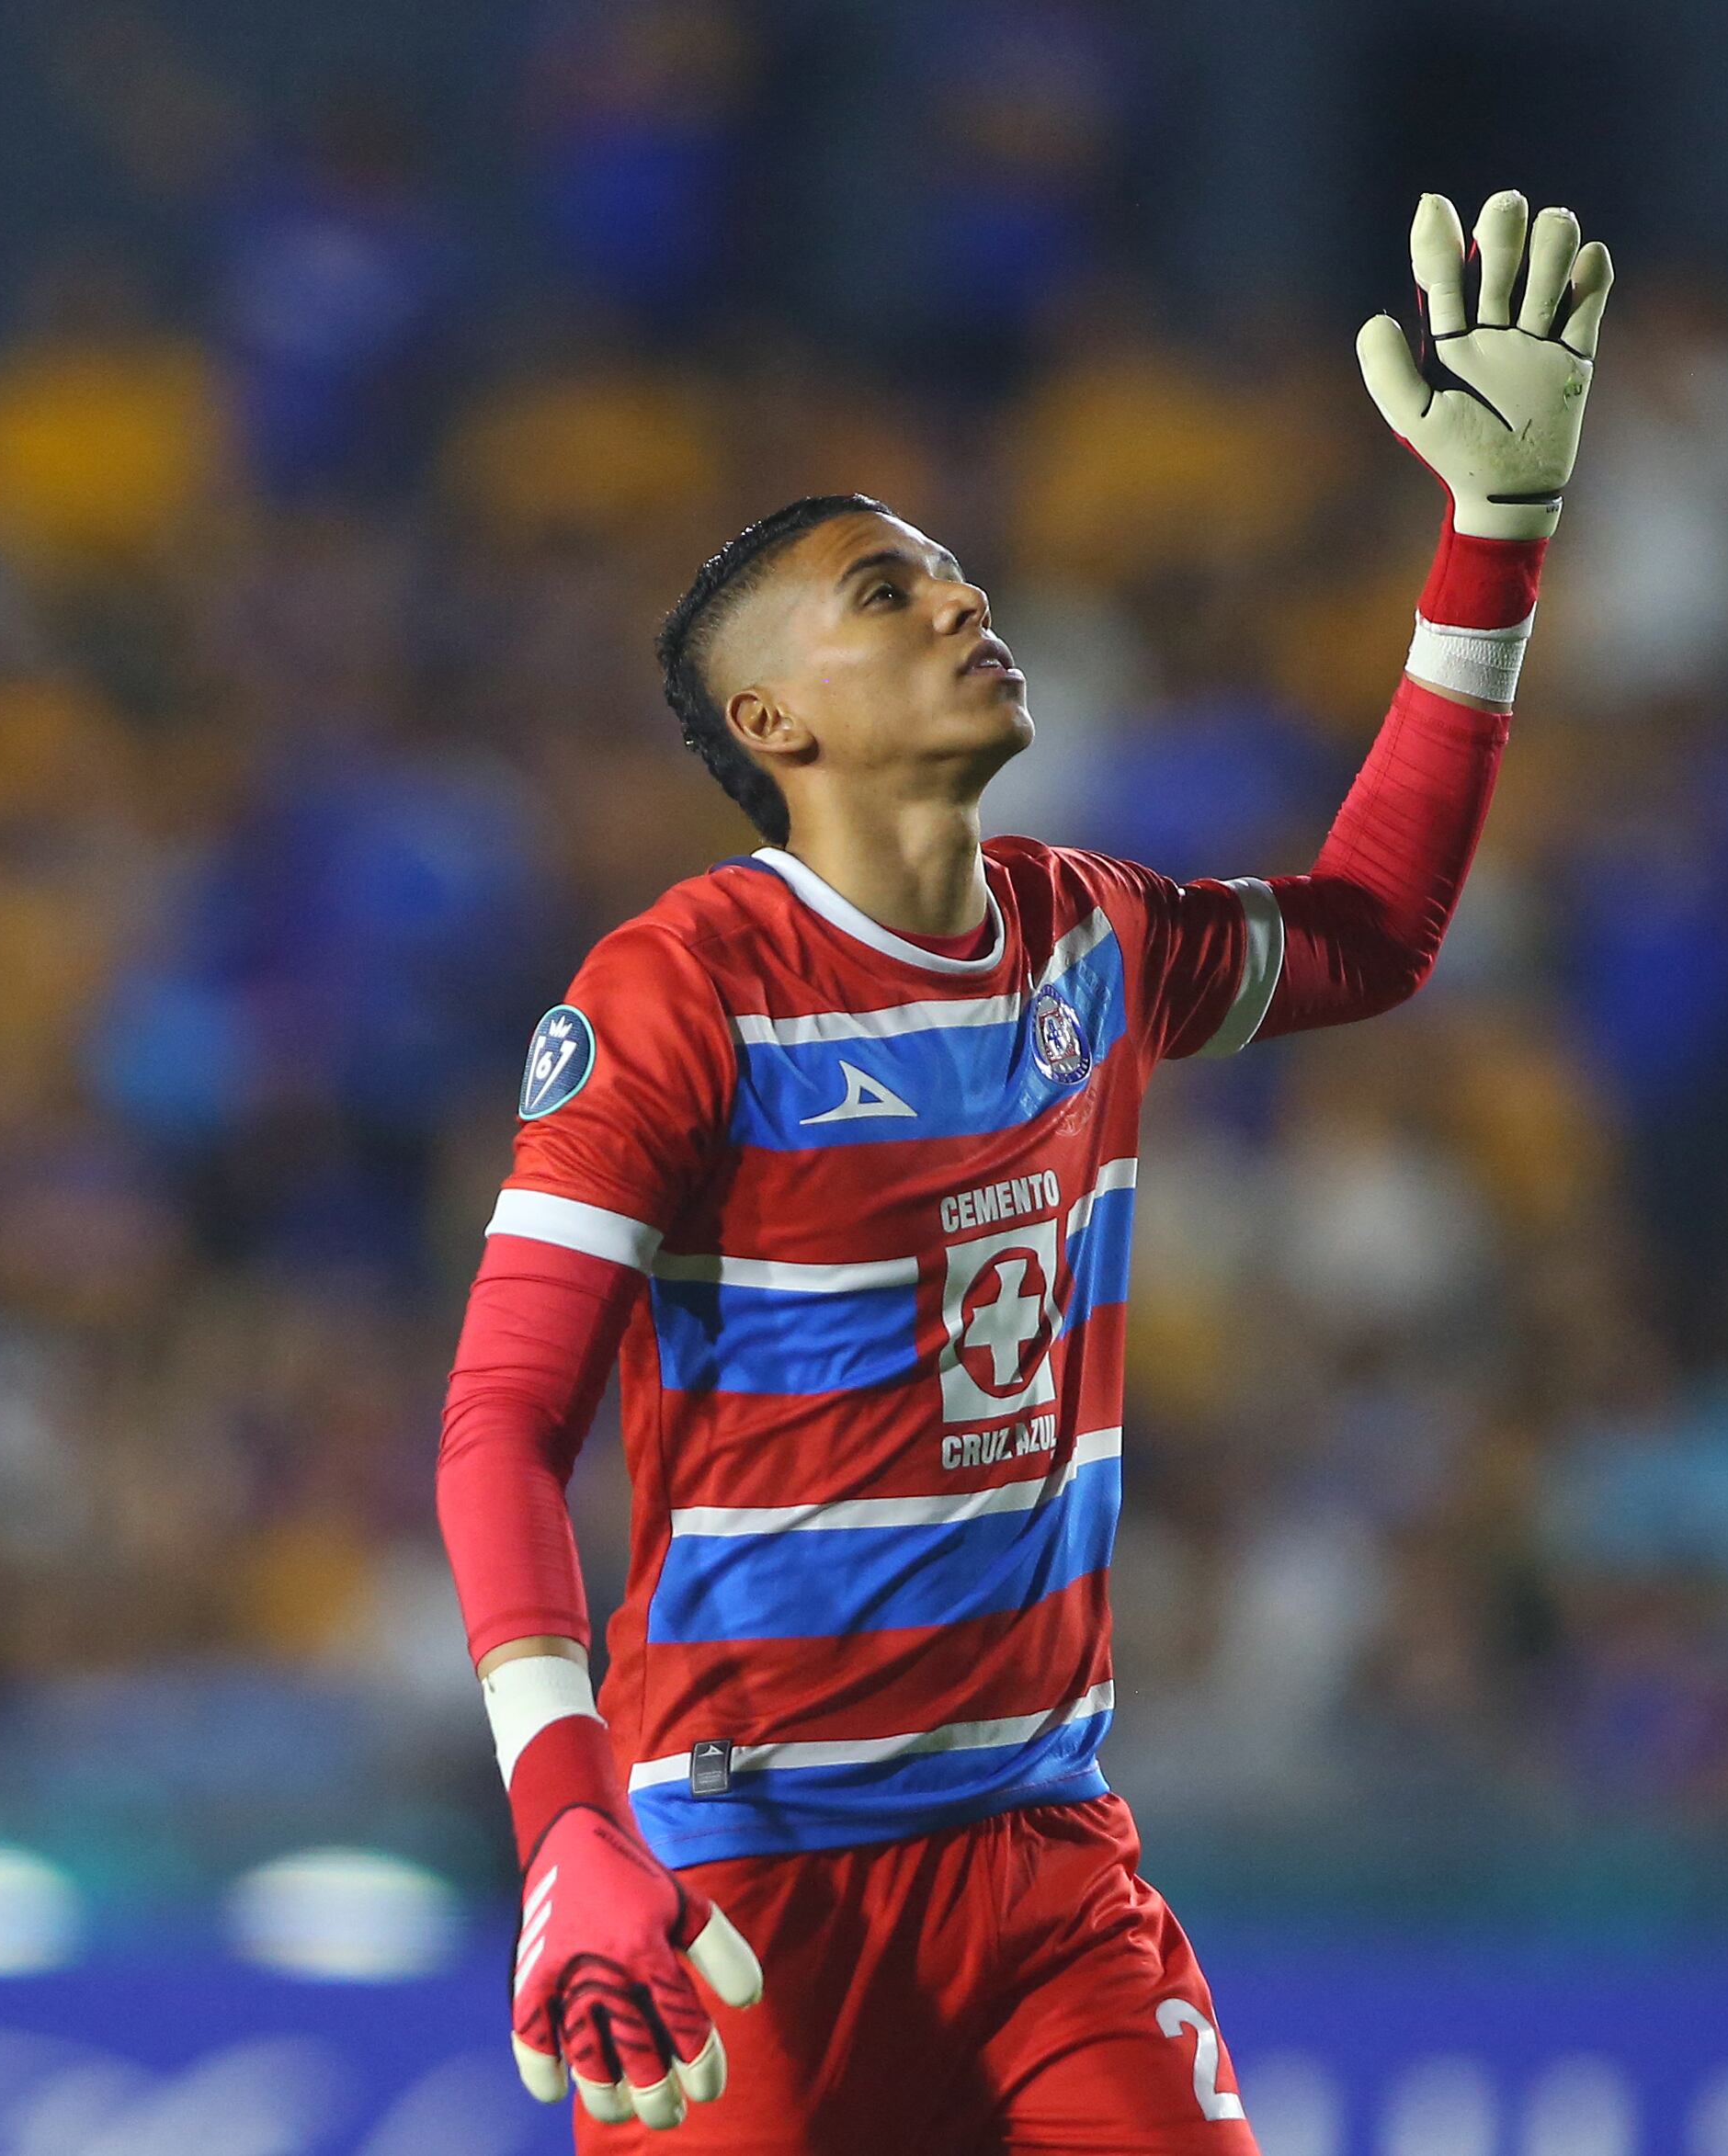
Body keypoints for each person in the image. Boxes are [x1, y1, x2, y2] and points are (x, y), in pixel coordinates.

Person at [432, 191, 1612, 2149]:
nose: (966, 600)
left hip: (1045, 1853)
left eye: (957, 570)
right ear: (774, 722)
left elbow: (1376, 932)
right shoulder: (681, 993)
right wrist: (564, 1824)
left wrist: (1492, 543)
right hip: (745, 1875)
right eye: (888, 593)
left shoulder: (1090, 936)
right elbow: (496, 1424)